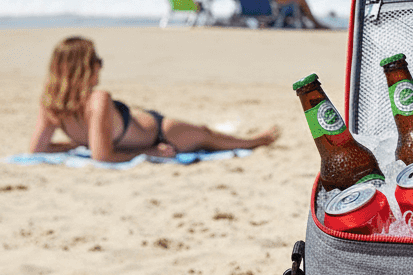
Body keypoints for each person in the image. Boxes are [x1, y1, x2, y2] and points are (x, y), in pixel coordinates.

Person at [29, 37, 280, 163]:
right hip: (156, 136)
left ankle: (254, 141)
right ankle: (256, 139)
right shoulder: (97, 99)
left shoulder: (51, 103)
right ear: (84, 67)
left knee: (208, 136)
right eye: (97, 62)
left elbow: (38, 149)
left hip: (158, 129)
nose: (100, 68)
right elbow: (102, 157)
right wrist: (148, 151)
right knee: (206, 137)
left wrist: (71, 146)